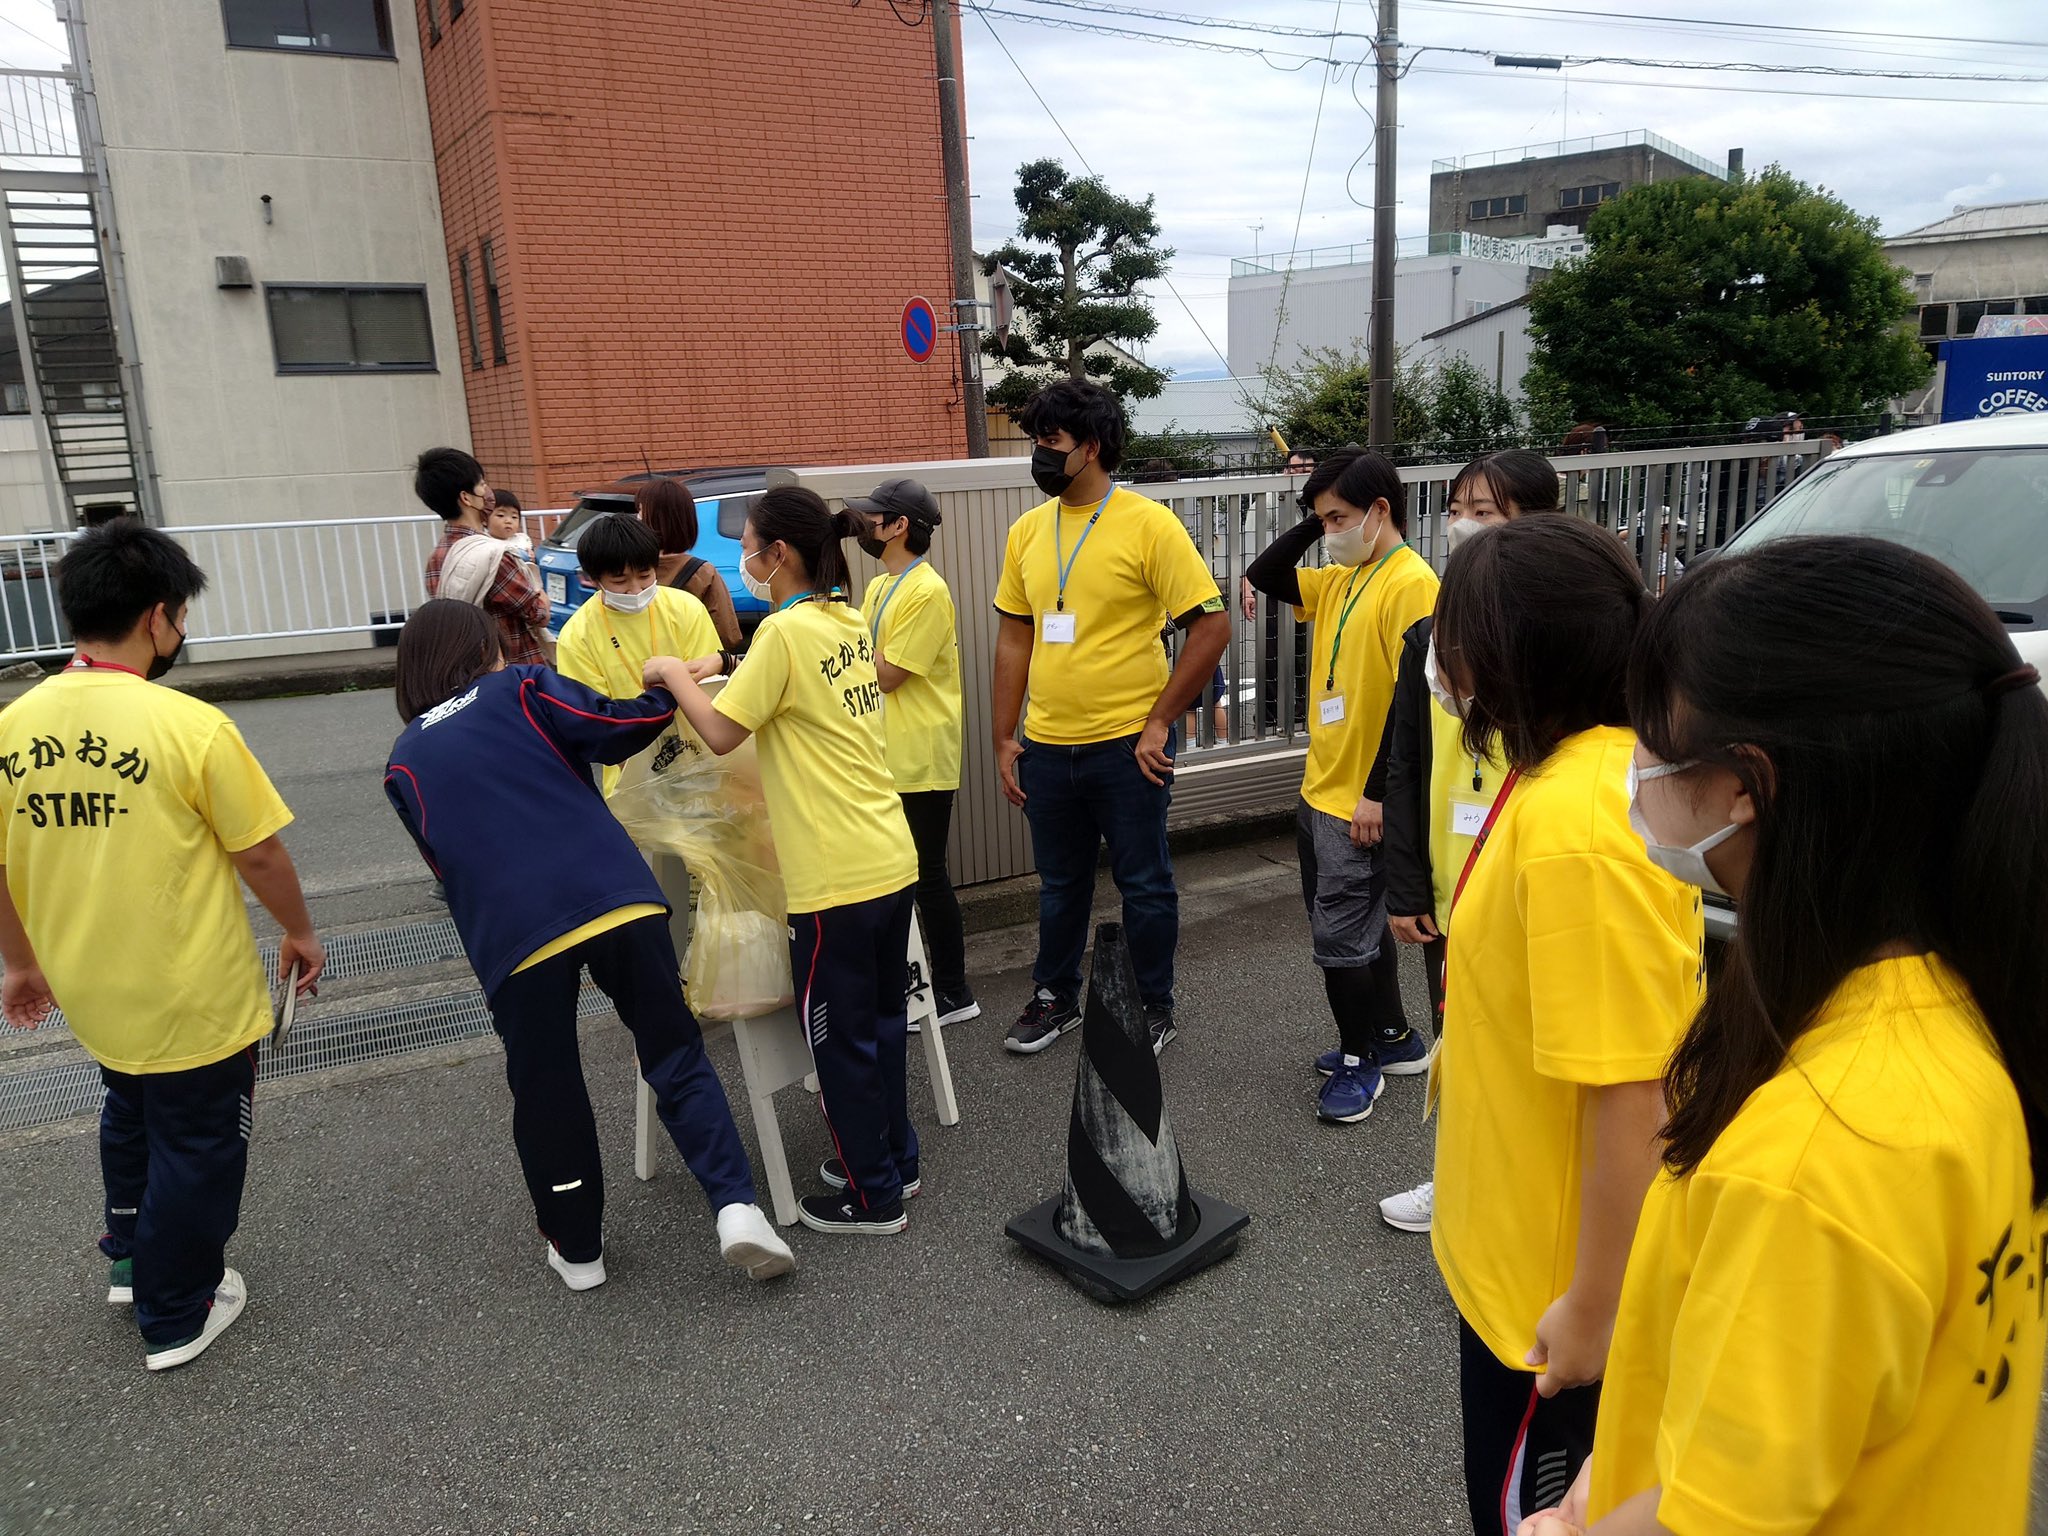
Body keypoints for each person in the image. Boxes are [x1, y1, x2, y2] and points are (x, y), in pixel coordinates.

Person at [1519, 537, 2048, 1536]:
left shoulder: (1813, 1152)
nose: (1632, 764)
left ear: (1742, 785)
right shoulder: (1954, 1003)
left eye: (1648, 732)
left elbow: (1717, 1520)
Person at [383, 600, 793, 1291]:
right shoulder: (520, 686)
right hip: (614, 897)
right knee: (673, 1052)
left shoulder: (404, 762)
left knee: (547, 1087)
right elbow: (618, 727)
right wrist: (666, 685)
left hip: (514, 934)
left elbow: (443, 867)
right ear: (478, 649)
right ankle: (736, 1207)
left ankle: (578, 1251)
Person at [1428, 517, 1704, 1535]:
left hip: (1545, 1309)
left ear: (1499, 650)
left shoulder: (1579, 822)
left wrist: (1590, 1310)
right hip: (1518, 1254)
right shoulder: (1569, 774)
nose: (1441, 660)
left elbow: (1628, 1087)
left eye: (1449, 635)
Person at [0, 519, 324, 1371]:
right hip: (190, 992)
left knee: (131, 1112)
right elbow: (258, 850)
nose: (181, 633)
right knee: (201, 1140)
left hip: (91, 986)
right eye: (180, 617)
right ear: (157, 616)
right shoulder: (188, 726)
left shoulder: (11, 727)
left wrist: (21, 964)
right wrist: (298, 931)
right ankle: (177, 1310)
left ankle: (132, 1256)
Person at [641, 487, 921, 1237]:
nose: (747, 557)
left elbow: (723, 732)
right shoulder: (846, 619)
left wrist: (672, 675)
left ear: (780, 554)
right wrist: (720, 656)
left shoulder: (788, 635)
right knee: (886, 1021)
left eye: (753, 543)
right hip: (889, 856)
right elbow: (772, 673)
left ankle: (872, 1197)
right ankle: (896, 1157)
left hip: (832, 875)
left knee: (836, 1037)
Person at [991, 378, 1229, 1058]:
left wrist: (1159, 722)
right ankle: (1054, 996)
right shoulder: (1027, 532)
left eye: (1050, 443)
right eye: (1035, 441)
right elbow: (1015, 636)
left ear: (1091, 447)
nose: (1038, 455)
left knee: (1144, 882)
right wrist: (1006, 736)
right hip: (1047, 743)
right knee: (1060, 883)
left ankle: (1154, 1003)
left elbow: (1209, 627)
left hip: (1128, 745)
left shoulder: (1148, 524)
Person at [1374, 449, 1562, 1231]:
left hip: (1535, 872)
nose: (1464, 524)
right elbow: (1405, 762)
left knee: (1539, 1049)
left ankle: (1533, 1195)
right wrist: (1406, 885)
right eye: (1459, 508)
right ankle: (1456, 1180)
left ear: (1539, 523)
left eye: (1487, 511)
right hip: (1453, 882)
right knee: (1459, 1040)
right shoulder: (1431, 632)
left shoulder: (1562, 628)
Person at [1245, 448, 1439, 1123]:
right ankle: (1393, 1037)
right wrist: (1316, 519)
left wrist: (1379, 795)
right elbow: (1264, 573)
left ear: (1381, 510)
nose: (1329, 530)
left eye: (1340, 517)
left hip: (1359, 797)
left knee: (1339, 943)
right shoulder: (1341, 577)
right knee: (1356, 931)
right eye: (1323, 519)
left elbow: (1413, 701)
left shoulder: (1410, 583)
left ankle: (1359, 1061)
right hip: (1321, 790)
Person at [846, 477, 975, 1027]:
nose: (866, 526)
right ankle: (919, 986)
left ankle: (954, 991)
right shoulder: (881, 585)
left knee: (927, 875)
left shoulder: (927, 591)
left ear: (900, 526)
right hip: (887, 752)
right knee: (901, 877)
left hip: (920, 755)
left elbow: (888, 673)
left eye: (875, 517)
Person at [554, 512, 724, 795]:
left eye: (645, 576)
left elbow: (711, 689)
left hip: (702, 765)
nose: (635, 590)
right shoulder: (578, 636)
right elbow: (594, 723)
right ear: (595, 579)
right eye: (620, 581)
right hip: (630, 783)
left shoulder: (686, 608)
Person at [415, 446, 551, 665]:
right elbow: (538, 614)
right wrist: (542, 595)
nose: (488, 492)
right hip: (516, 673)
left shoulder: (437, 557)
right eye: (482, 484)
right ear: (467, 498)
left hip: (472, 671)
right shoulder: (494, 556)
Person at [1242, 450, 1317, 733]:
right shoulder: (1270, 499)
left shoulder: (1314, 502)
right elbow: (1251, 545)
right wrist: (1248, 589)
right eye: (1294, 469)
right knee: (1269, 654)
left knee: (1304, 652)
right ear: (1285, 471)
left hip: (1307, 584)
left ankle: (1303, 711)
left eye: (1306, 469)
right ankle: (1268, 716)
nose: (1299, 474)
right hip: (1272, 585)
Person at [638, 478, 743, 652]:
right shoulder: (702, 572)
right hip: (691, 670)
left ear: (653, 518)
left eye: (640, 511)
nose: (637, 517)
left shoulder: (629, 567)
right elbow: (728, 636)